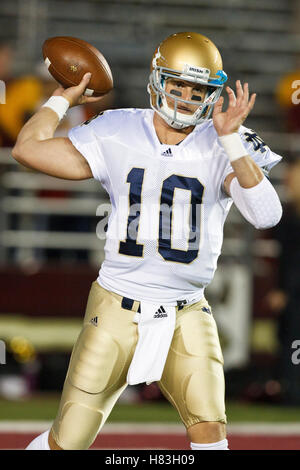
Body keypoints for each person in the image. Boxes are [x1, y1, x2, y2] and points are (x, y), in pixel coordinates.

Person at [12, 32, 283, 451]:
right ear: (158, 81)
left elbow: (266, 214)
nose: (185, 97)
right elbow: (27, 150)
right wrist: (63, 97)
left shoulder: (223, 141)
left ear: (213, 93)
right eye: (177, 85)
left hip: (187, 310)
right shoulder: (118, 128)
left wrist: (230, 140)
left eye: (197, 89)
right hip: (117, 305)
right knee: (68, 440)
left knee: (212, 435)